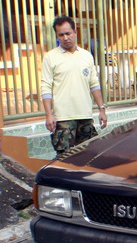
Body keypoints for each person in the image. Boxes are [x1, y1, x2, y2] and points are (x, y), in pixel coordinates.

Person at [41, 15, 107, 155]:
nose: (65, 38)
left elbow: (94, 84)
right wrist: (49, 114)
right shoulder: (50, 57)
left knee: (90, 155)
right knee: (65, 158)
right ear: (57, 36)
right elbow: (46, 86)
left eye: (68, 33)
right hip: (63, 118)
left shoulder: (86, 55)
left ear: (75, 32)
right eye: (61, 35)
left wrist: (102, 109)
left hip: (85, 116)